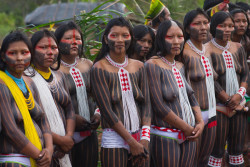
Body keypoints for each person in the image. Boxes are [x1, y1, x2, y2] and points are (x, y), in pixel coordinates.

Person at [91, 17, 151, 167]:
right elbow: (106, 111)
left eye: (125, 35)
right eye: (114, 35)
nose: (120, 40)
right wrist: (131, 142)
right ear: (105, 39)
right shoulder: (99, 68)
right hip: (114, 140)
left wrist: (144, 138)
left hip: (140, 137)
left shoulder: (139, 66)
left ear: (131, 38)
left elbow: (147, 105)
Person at [145, 20, 204, 167]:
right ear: (160, 39)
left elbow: (191, 96)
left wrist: (200, 122)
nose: (177, 41)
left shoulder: (180, 65)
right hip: (165, 134)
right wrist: (186, 128)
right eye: (170, 37)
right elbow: (158, 105)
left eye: (180, 36)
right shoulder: (152, 65)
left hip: (189, 133)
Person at [0, 31, 53, 167]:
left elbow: (43, 120)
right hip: (14, 160)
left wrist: (49, 150)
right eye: (13, 53)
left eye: (24, 52)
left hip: (40, 157)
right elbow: (10, 130)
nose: (19, 58)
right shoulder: (2, 84)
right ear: (3, 56)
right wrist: (40, 156)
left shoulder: (29, 83)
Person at [25, 29, 75, 167]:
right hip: (42, 148)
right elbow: (30, 118)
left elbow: (69, 108)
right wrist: (59, 140)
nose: (50, 52)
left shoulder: (59, 76)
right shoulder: (25, 79)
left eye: (54, 47)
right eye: (43, 47)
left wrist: (69, 137)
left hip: (65, 147)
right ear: (31, 50)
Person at [206, 11, 248, 167]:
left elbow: (245, 74)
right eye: (222, 26)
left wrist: (239, 95)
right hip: (218, 107)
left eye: (231, 25)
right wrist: (227, 99)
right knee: (216, 151)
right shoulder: (206, 49)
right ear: (213, 27)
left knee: (237, 150)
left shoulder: (238, 47)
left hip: (239, 105)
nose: (227, 29)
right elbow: (209, 77)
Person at [55, 21, 100, 167]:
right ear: (57, 42)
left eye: (78, 39)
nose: (74, 42)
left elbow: (99, 95)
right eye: (68, 38)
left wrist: (98, 114)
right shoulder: (52, 70)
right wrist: (72, 118)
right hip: (64, 135)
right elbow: (49, 104)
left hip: (89, 133)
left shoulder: (88, 64)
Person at [182, 8, 217, 167]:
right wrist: (195, 117)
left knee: (204, 160)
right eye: (197, 23)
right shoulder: (183, 52)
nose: (203, 27)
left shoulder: (207, 49)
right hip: (194, 116)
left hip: (212, 112)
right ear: (188, 28)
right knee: (191, 161)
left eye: (205, 23)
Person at [230, 8, 250, 166]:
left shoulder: (246, 42)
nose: (242, 24)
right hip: (226, 94)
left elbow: (245, 71)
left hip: (242, 91)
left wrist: (242, 94)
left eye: (244, 21)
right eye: (238, 21)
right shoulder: (224, 40)